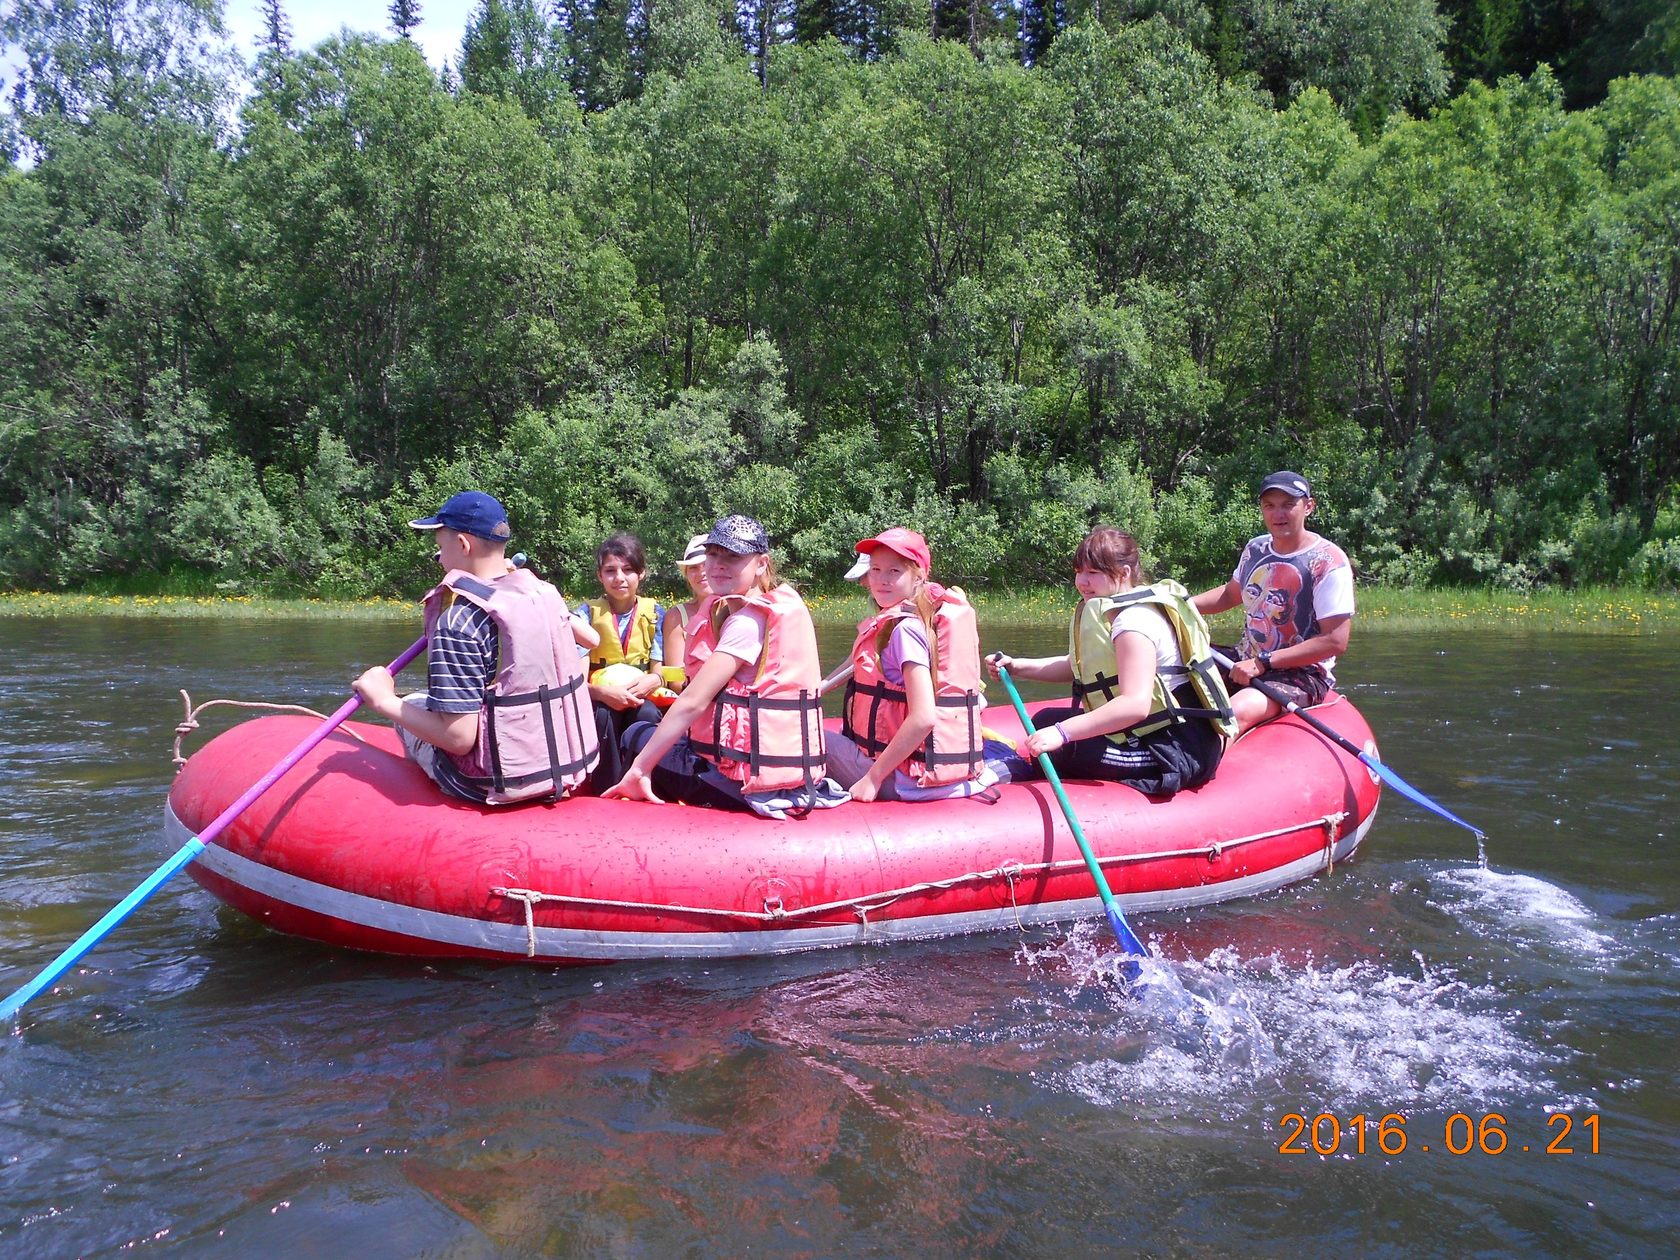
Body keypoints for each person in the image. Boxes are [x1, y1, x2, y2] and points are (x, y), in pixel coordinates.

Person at [353, 491, 600, 804]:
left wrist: (384, 701)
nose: (440, 559)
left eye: (440, 549)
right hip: (564, 772)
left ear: (463, 545)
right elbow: (591, 639)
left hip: (491, 785)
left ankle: (432, 805)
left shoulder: (458, 622)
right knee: (432, 701)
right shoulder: (544, 594)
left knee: (411, 704)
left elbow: (458, 739)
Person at [605, 514, 842, 819]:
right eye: (713, 554)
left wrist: (640, 769)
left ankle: (640, 805)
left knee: (635, 734)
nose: (717, 564)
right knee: (663, 735)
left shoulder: (747, 623)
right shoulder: (773, 605)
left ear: (761, 564)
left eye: (733, 557)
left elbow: (693, 701)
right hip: (774, 774)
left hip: (742, 784)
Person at [986, 526, 1235, 797]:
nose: (1082, 581)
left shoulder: (1134, 621)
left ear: (1124, 573)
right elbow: (1080, 668)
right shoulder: (1115, 612)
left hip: (1175, 748)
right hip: (1143, 732)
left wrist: (1063, 733)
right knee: (1045, 719)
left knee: (1064, 748)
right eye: (1079, 571)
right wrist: (1017, 666)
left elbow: (1135, 704)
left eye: (1093, 573)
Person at [824, 528, 994, 802]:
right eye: (876, 569)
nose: (881, 579)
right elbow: (857, 663)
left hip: (900, 778)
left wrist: (872, 778)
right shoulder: (898, 619)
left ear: (919, 576)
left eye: (894, 572)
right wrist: (819, 689)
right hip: (902, 771)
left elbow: (924, 716)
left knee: (809, 736)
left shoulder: (905, 631)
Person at [1190, 471, 1354, 735]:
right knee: (1173, 671)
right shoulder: (1255, 549)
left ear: (1308, 506)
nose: (1278, 514)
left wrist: (1265, 662)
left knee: (1236, 712)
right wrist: (1179, 603)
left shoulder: (1329, 562)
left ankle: (1209, 771)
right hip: (1244, 660)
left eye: (1288, 504)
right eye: (1270, 505)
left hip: (1301, 674)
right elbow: (1230, 594)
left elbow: (1335, 640)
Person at [580, 532, 666, 790]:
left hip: (641, 695)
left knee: (649, 713)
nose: (619, 578)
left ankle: (643, 782)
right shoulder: (585, 615)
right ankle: (604, 786)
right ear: (600, 576)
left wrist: (655, 679)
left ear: (641, 574)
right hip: (601, 696)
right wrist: (603, 693)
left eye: (628, 569)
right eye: (610, 570)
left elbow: (660, 671)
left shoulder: (655, 614)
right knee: (603, 716)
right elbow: (578, 680)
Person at [660, 533, 712, 682]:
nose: (702, 572)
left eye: (707, 564)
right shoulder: (676, 617)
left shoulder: (740, 610)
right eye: (694, 567)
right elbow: (676, 682)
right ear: (687, 575)